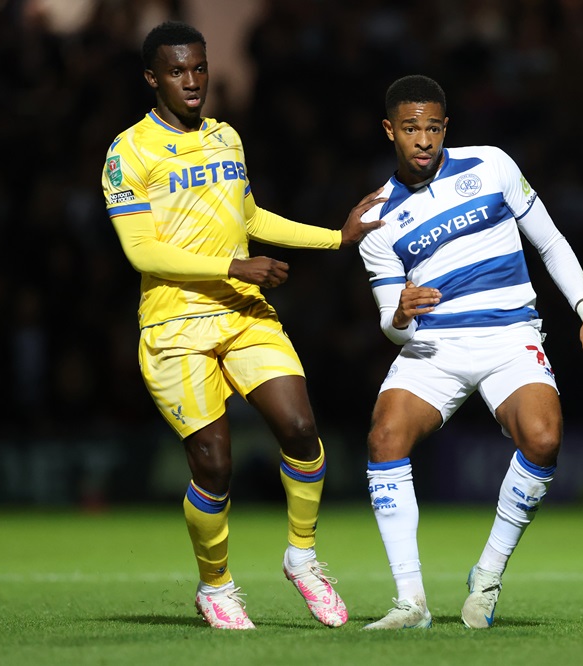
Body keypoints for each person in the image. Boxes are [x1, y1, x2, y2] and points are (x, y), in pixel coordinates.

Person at [100, 21, 382, 630]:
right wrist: (234, 263)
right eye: (177, 71)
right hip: (176, 325)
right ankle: (216, 586)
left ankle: (302, 558)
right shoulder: (128, 152)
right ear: (152, 79)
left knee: (302, 428)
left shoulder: (227, 137)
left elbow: (248, 214)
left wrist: (336, 238)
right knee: (214, 464)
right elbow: (142, 252)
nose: (192, 81)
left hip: (242, 312)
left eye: (199, 68)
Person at [358, 75, 583, 630]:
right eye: (409, 129)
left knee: (544, 438)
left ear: (445, 128)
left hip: (508, 338)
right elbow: (389, 323)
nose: (422, 140)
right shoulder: (376, 217)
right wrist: (400, 315)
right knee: (384, 438)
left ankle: (488, 575)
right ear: (389, 131)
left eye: (431, 128)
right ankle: (410, 602)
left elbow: (550, 241)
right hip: (434, 346)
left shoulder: (491, 164)